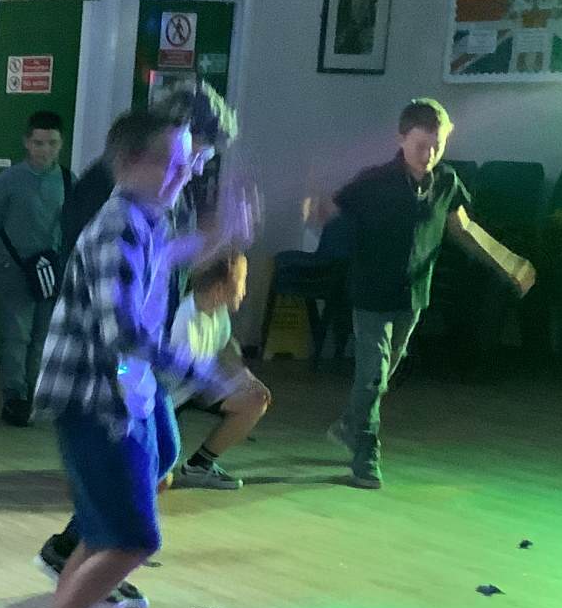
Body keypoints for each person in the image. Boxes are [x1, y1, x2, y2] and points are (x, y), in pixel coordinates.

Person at [8, 106, 239, 608]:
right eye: (173, 162)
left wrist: (210, 240)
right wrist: (205, 372)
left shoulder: (144, 217)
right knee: (134, 538)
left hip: (117, 395)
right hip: (95, 399)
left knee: (105, 529)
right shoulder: (119, 227)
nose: (186, 173)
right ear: (131, 162)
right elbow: (126, 335)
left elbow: (159, 262)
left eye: (188, 162)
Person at [322, 98, 535, 489]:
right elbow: (334, 208)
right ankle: (366, 453)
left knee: (384, 374)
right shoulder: (374, 181)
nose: (429, 154)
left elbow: (463, 230)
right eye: (421, 145)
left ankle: (350, 424)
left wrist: (508, 262)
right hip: (371, 293)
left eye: (437, 146)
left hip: (413, 295)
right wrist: (314, 209)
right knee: (372, 374)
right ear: (401, 139)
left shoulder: (447, 182)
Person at [0, 109, 66, 426]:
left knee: (43, 335)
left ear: (61, 144)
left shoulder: (67, 181)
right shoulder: (9, 181)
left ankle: (36, 391)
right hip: (14, 268)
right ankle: (15, 395)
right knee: (17, 334)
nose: (45, 150)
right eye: (38, 143)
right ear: (27, 142)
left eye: (51, 143)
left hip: (51, 271)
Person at [168, 253, 272, 489]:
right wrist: (232, 383)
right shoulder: (183, 320)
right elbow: (188, 373)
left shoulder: (218, 310)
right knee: (155, 469)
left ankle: (199, 467)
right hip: (167, 398)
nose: (244, 291)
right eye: (241, 283)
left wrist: (247, 378)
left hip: (196, 389)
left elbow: (226, 345)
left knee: (256, 400)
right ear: (219, 289)